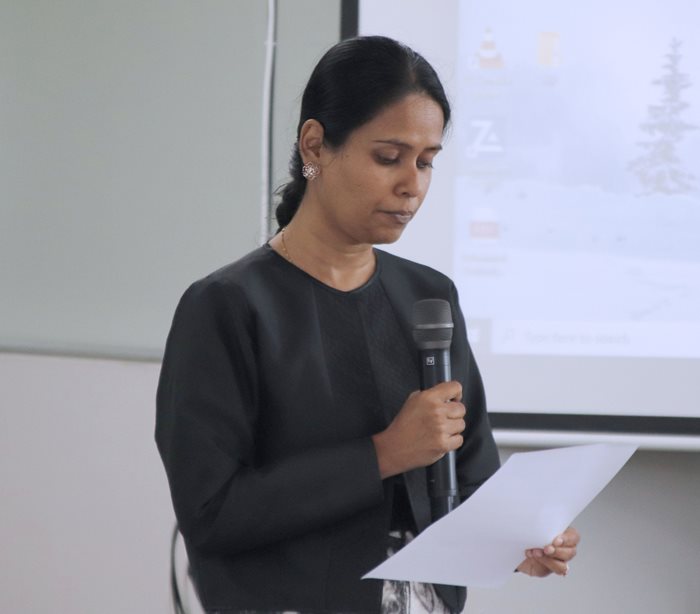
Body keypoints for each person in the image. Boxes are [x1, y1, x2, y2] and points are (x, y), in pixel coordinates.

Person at [155, 35, 579, 614]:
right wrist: (382, 454)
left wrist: (516, 539)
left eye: (426, 162)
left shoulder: (430, 298)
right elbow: (210, 514)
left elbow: (471, 479)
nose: (413, 185)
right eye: (388, 157)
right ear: (315, 145)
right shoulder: (226, 306)